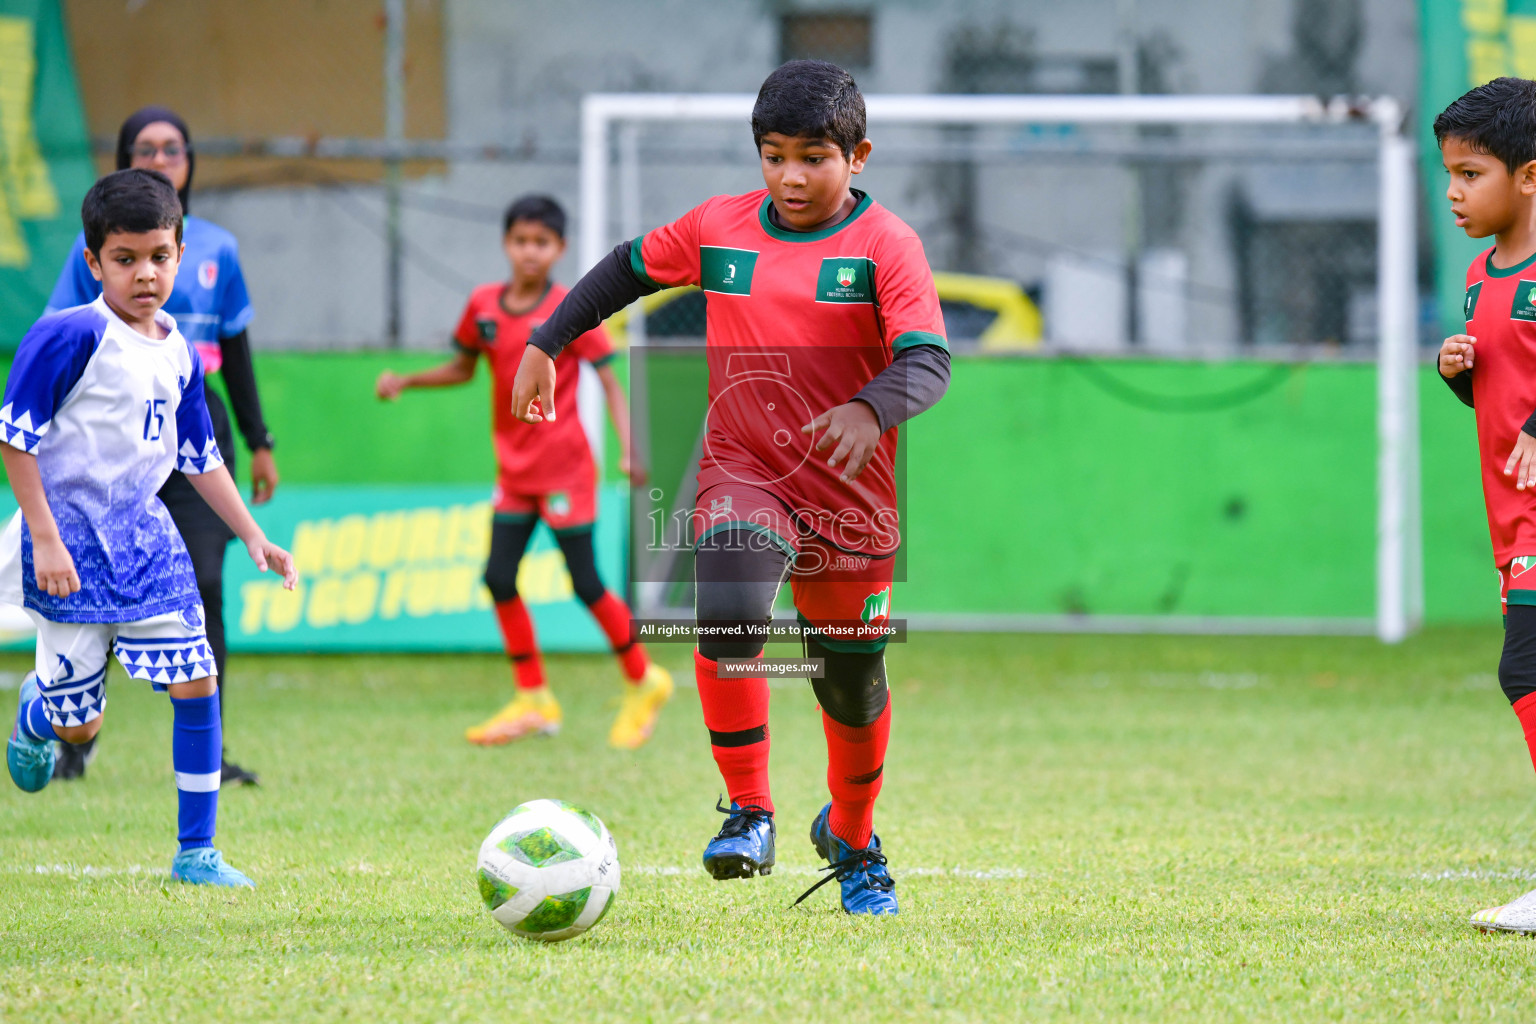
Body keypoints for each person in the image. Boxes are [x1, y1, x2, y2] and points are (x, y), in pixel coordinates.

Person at [507, 61, 951, 915]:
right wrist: (547, 339)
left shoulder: (885, 245)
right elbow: (626, 268)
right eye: (773, 155)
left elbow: (927, 360)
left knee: (851, 684)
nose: (790, 175)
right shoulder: (720, 227)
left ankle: (854, 839)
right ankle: (749, 809)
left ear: (857, 156)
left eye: (813, 157)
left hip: (851, 495)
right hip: (743, 467)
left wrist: (869, 408)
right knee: (730, 605)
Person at [3, 169, 296, 885]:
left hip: (145, 540)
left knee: (197, 679)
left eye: (159, 257)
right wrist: (42, 536)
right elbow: (17, 439)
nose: (145, 274)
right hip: (68, 546)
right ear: (93, 260)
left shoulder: (181, 354)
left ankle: (196, 852)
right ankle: (41, 712)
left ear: (179, 250)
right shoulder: (65, 337)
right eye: (126, 259)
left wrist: (253, 534)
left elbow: (199, 458)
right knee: (81, 726)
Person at [376, 195, 673, 749]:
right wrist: (409, 381)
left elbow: (609, 379)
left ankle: (645, 678)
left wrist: (630, 448)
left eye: (542, 243)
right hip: (514, 472)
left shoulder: (574, 308)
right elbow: (464, 368)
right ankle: (533, 696)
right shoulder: (484, 306)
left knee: (585, 583)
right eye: (521, 241)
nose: (530, 252)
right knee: (497, 577)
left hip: (565, 470)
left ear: (559, 249)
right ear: (506, 244)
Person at [44, 106, 278, 786]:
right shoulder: (90, 254)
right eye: (143, 148)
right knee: (102, 588)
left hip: (195, 422)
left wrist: (260, 442)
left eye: (172, 148)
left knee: (204, 583)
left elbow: (235, 348)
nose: (159, 158)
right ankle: (73, 735)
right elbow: (61, 336)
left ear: (191, 161)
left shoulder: (218, 249)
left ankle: (213, 749)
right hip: (114, 436)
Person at [1435, 76, 1536, 934]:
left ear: (1530, 176)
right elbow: (1502, 395)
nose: (1454, 193)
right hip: (1512, 517)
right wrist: (1461, 375)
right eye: (1450, 175)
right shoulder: (1480, 274)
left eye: (1471, 173)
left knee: (1527, 669)